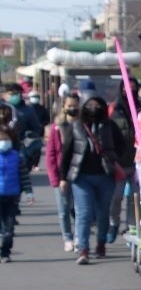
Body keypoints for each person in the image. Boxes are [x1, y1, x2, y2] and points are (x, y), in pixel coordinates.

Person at [61, 93, 124, 264]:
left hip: (105, 176)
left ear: (103, 108)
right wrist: (63, 178)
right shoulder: (75, 126)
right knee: (84, 213)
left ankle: (101, 242)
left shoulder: (110, 126)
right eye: (89, 105)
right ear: (84, 107)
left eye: (97, 106)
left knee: (103, 213)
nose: (93, 109)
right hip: (81, 177)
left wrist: (113, 158)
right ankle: (83, 249)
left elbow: (122, 146)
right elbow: (66, 153)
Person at [46, 94, 80, 252]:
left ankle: (79, 236)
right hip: (62, 175)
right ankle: (67, 237)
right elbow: (51, 154)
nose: (72, 108)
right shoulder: (57, 127)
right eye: (69, 106)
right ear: (64, 107)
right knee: (64, 209)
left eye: (75, 105)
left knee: (80, 208)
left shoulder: (83, 124)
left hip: (80, 173)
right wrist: (55, 178)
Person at [0, 125, 34, 262]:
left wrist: (29, 192)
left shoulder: (17, 157)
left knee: (9, 229)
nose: (4, 142)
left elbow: (24, 176)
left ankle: (5, 252)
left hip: (12, 196)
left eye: (6, 139)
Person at [107, 95, 138, 242]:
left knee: (134, 198)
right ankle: (114, 224)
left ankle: (132, 226)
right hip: (120, 163)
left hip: (138, 162)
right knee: (116, 198)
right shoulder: (114, 112)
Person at [23, 89, 50, 169]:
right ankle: (29, 163)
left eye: (36, 97)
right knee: (27, 149)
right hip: (27, 132)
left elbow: (47, 118)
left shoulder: (42, 108)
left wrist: (42, 125)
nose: (35, 98)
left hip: (38, 132)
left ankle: (36, 164)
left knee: (37, 148)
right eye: (33, 97)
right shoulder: (27, 108)